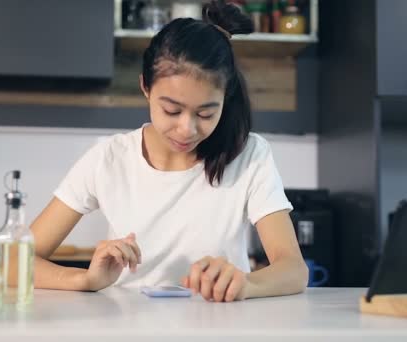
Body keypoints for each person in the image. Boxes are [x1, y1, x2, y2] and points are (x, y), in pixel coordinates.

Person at [31, 0, 308, 302]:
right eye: (171, 110)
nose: (186, 129)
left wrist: (247, 284)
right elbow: (15, 261)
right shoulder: (108, 158)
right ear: (146, 88)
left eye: (205, 114)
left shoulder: (249, 154)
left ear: (225, 101)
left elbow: (293, 269)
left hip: (222, 326)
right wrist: (86, 279)